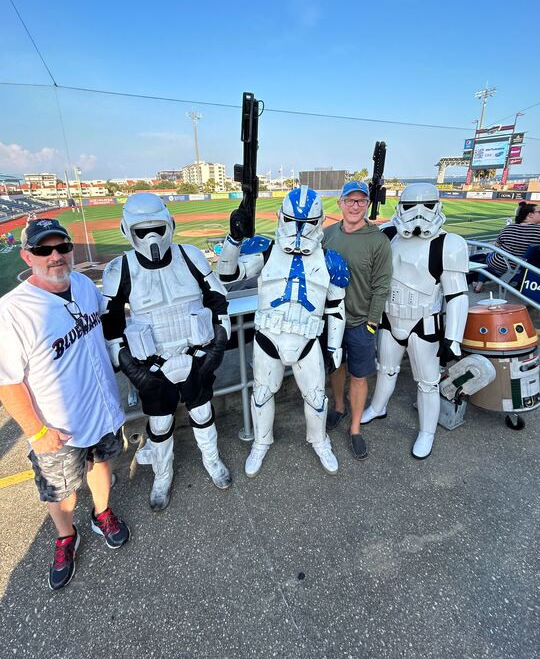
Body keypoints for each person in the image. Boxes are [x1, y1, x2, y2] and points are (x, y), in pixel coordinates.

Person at [0, 218, 130, 591]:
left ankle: (102, 514)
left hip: (101, 408)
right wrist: (36, 432)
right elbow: (7, 382)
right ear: (28, 256)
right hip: (56, 426)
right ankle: (64, 537)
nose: (55, 256)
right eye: (44, 250)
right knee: (61, 491)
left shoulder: (85, 285)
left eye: (62, 247)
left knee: (103, 463)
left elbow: (108, 319)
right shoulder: (13, 311)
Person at [101, 193, 231, 511]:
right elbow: (112, 328)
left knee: (203, 413)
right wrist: (131, 369)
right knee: (159, 425)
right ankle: (162, 475)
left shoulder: (190, 257)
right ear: (127, 230)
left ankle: (212, 462)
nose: (152, 238)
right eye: (142, 232)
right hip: (153, 365)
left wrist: (217, 346)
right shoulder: (120, 270)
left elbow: (219, 302)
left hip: (196, 355)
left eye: (157, 228)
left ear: (170, 224)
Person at [217, 185, 349, 477]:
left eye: (307, 224)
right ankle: (261, 443)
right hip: (268, 338)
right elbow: (226, 274)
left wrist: (334, 347)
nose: (299, 231)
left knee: (316, 397)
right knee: (262, 395)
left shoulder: (330, 260)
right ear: (280, 217)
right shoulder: (264, 251)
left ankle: (320, 441)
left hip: (308, 340)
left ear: (319, 222)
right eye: (293, 221)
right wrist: (234, 240)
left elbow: (336, 308)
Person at [362, 184, 469, 458]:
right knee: (385, 368)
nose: (418, 214)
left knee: (427, 382)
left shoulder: (448, 244)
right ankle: (378, 406)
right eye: (410, 207)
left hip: (424, 324)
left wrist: (454, 338)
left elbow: (457, 295)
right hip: (389, 318)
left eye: (426, 206)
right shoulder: (387, 234)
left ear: (437, 206)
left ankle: (427, 431)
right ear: (400, 207)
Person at [323, 180, 393, 460]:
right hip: (331, 321)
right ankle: (339, 407)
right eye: (349, 201)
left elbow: (382, 286)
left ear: (366, 205)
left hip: (362, 321)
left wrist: (372, 322)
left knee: (360, 377)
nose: (355, 206)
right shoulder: (327, 235)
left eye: (360, 201)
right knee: (336, 368)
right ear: (340, 203)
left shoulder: (378, 241)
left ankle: (355, 429)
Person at [471, 201, 540, 292]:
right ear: (530, 215)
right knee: (490, 259)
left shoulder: (509, 228)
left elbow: (497, 245)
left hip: (501, 263)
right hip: (523, 267)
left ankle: (478, 285)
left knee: (487, 258)